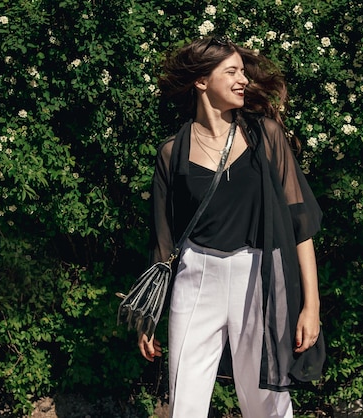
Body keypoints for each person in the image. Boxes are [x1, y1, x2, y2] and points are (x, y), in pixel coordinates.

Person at [138, 35, 325, 418]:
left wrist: (312, 305)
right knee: (184, 403)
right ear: (202, 81)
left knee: (266, 404)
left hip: (257, 276)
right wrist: (148, 314)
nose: (243, 80)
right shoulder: (172, 152)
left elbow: (299, 224)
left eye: (243, 71)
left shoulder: (265, 136)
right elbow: (163, 241)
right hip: (196, 279)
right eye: (232, 72)